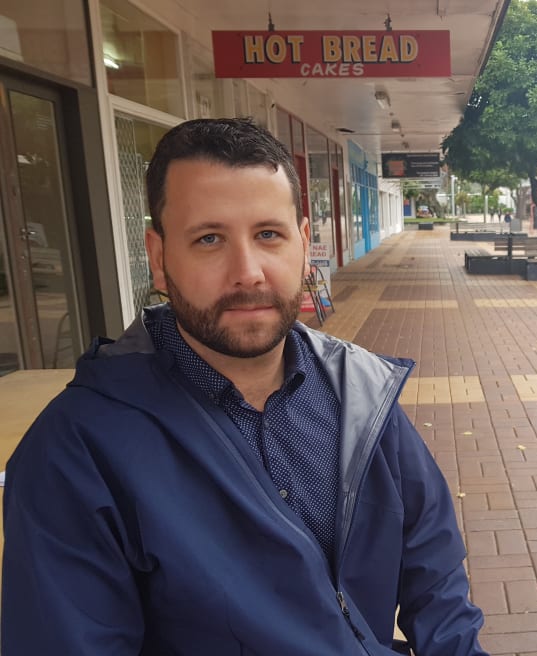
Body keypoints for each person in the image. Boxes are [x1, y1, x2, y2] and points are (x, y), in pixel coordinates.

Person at [2, 118, 488, 656]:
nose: (249, 271)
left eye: (268, 235)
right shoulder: (78, 450)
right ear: (159, 258)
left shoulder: (360, 393)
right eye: (209, 239)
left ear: (303, 245)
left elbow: (434, 572)